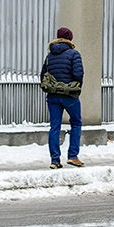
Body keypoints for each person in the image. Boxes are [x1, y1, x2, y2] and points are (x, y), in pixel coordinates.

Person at [42, 27, 85, 169]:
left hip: (53, 96)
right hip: (69, 95)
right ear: (70, 39)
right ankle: (73, 156)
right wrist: (74, 86)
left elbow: (43, 75)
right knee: (76, 123)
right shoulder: (74, 54)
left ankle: (55, 160)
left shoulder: (50, 55)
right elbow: (78, 74)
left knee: (54, 126)